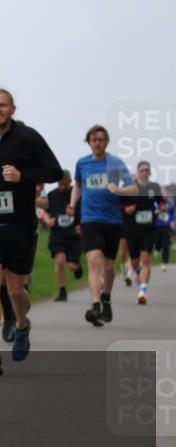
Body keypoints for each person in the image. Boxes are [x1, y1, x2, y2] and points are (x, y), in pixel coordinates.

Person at [0, 88, 62, 376]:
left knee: (15, 289)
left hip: (19, 223)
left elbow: (54, 171)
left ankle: (21, 325)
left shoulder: (28, 137)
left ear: (13, 109)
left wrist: (23, 177)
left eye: (3, 105)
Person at [69, 125, 134, 327]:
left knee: (109, 266)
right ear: (89, 142)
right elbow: (78, 185)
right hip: (89, 220)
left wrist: (118, 190)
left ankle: (106, 297)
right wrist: (72, 203)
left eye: (101, 139)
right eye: (94, 139)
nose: (97, 143)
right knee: (94, 261)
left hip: (112, 221)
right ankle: (96, 305)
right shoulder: (82, 163)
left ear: (107, 142)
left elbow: (133, 188)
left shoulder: (115, 163)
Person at [118, 161, 165, 304]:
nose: (144, 172)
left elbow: (161, 202)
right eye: (142, 170)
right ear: (138, 171)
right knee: (134, 262)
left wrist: (162, 207)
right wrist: (126, 209)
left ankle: (142, 292)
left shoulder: (154, 187)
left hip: (148, 229)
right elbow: (119, 204)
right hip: (132, 229)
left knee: (145, 258)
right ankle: (135, 271)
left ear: (149, 172)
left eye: (147, 170)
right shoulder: (129, 187)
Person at [37, 171, 84, 301]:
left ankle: (77, 268)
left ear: (70, 182)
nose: (62, 187)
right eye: (60, 184)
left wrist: (82, 226)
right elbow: (45, 212)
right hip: (57, 234)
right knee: (60, 260)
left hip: (73, 235)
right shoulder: (52, 195)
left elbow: (85, 211)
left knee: (72, 266)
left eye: (65, 184)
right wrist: (48, 220)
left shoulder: (77, 195)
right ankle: (62, 291)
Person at [155, 195, 174, 273]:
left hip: (167, 225)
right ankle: (158, 249)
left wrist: (173, 221)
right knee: (157, 240)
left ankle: (164, 263)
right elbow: (153, 211)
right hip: (157, 225)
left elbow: (172, 212)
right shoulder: (155, 201)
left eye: (165, 192)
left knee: (166, 244)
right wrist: (159, 210)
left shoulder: (170, 202)